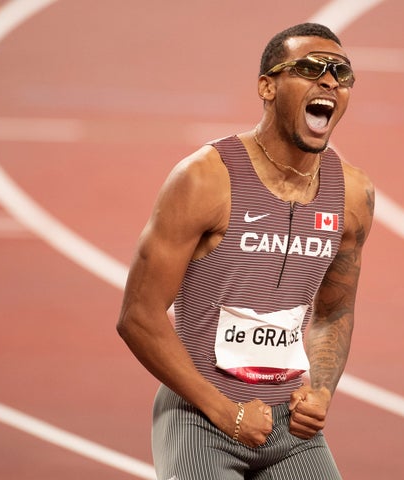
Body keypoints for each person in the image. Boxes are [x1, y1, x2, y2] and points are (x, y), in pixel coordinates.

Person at [117, 22, 374, 479]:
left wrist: (321, 393)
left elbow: (334, 312)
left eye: (341, 72)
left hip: (289, 429)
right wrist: (224, 412)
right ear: (267, 86)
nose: (329, 80)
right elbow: (139, 315)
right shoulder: (205, 179)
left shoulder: (352, 195)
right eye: (311, 68)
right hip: (199, 415)